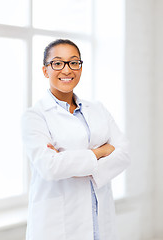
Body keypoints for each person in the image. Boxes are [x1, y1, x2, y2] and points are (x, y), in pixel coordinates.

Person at [21, 39, 130, 240]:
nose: (67, 70)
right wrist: (100, 153)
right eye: (57, 63)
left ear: (80, 67)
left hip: (99, 221)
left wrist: (71, 163)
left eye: (74, 62)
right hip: (58, 226)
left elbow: (124, 153)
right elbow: (50, 167)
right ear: (45, 70)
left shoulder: (97, 109)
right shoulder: (35, 116)